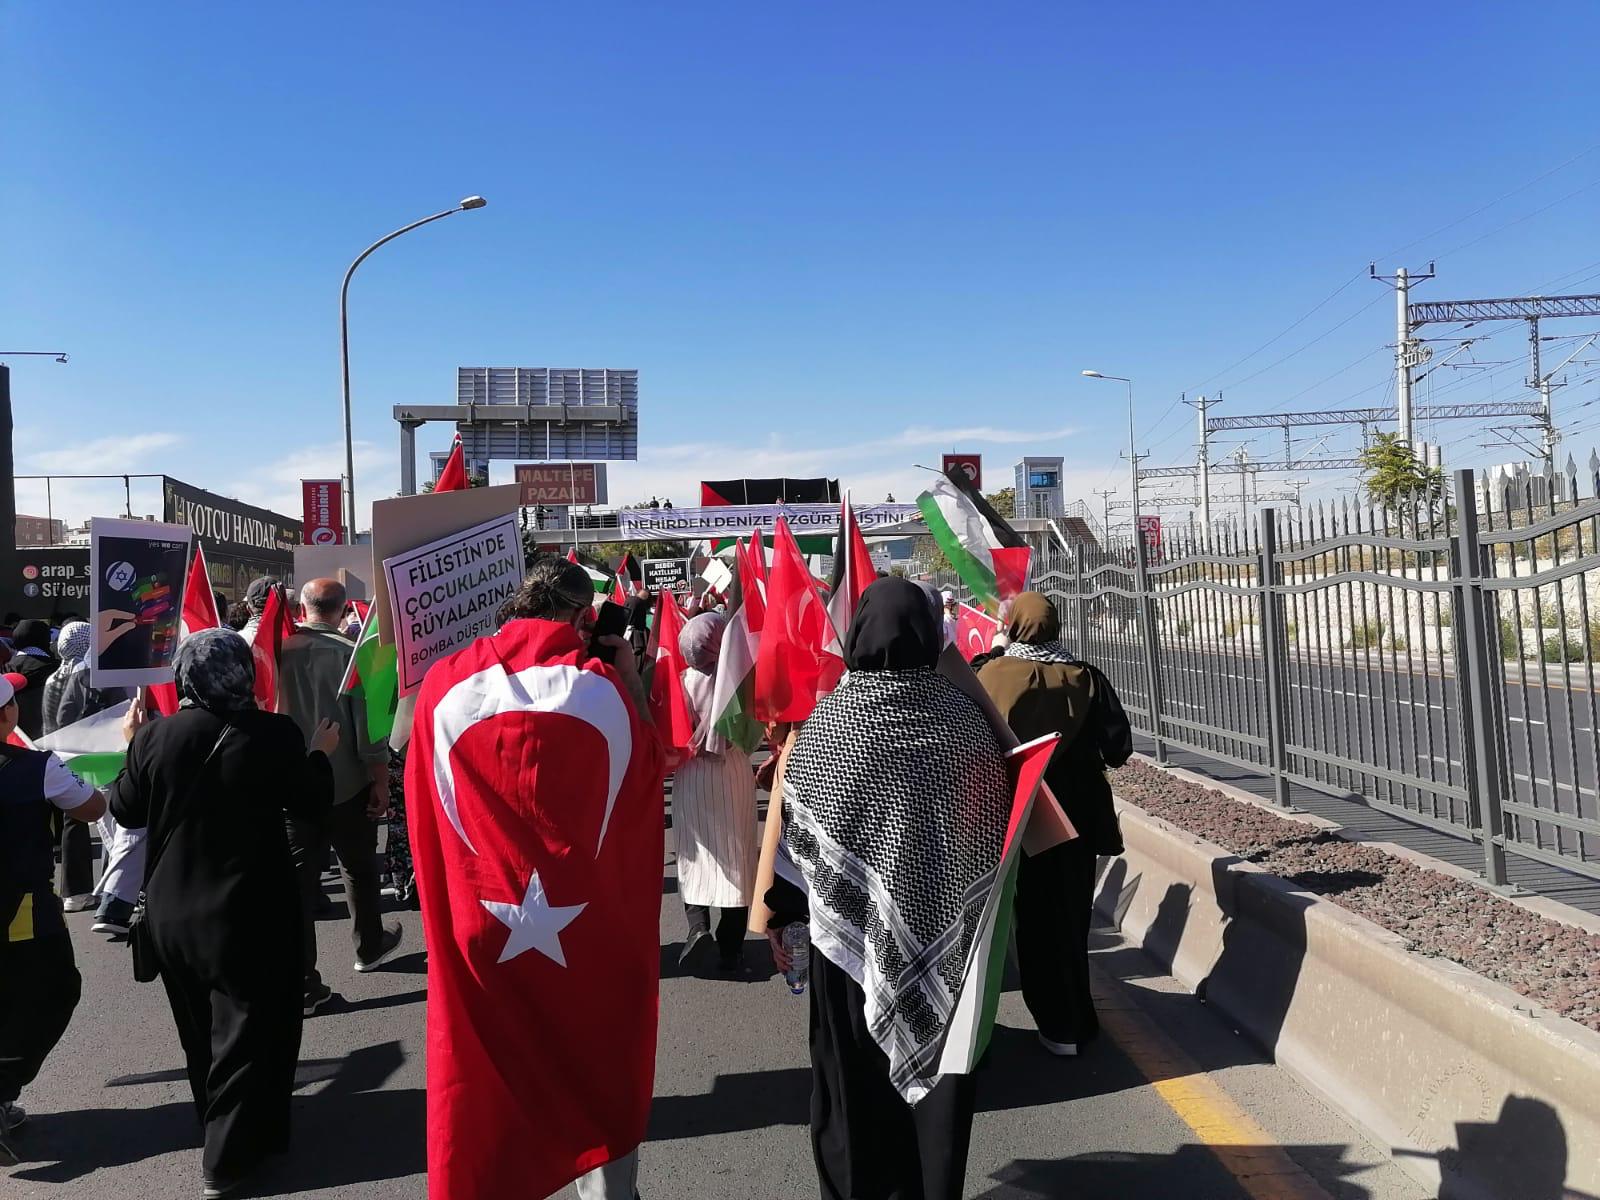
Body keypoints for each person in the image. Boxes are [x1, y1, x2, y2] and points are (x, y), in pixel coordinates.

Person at [407, 556, 664, 1200]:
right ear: (583, 618)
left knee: (486, 1069)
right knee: (595, 1058)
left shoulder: (443, 684)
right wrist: (632, 680)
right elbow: (648, 773)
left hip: (482, 918)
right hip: (584, 927)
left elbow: (421, 797)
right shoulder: (599, 688)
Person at [767, 577, 1010, 1200]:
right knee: (938, 1085)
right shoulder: (966, 721)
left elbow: (801, 831)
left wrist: (784, 915)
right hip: (948, 939)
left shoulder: (832, 723)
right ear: (930, 635)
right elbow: (993, 821)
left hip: (848, 950)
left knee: (850, 1088)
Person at [108, 630, 339, 1198]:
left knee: (200, 1034)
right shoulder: (274, 734)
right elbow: (310, 801)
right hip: (250, 909)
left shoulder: (156, 736)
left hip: (173, 912)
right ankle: (227, 1158)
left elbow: (124, 810)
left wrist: (132, 744)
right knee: (250, 1033)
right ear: (243, 673)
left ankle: (218, 1124)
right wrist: (319, 754)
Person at [978, 591, 1131, 1056]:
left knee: (1010, 922)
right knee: (1067, 919)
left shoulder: (988, 674)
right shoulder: (1087, 677)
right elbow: (1118, 748)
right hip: (1076, 818)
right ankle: (1069, 1022)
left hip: (1010, 814)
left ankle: (981, 1029)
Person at [277, 578, 400, 1013]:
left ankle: (303, 978)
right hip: (346, 782)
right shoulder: (352, 656)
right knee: (359, 869)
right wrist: (381, 780)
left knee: (297, 885)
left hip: (291, 785)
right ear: (342, 608)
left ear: (305, 606)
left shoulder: (276, 651)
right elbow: (371, 730)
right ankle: (368, 946)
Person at [0, 670, 106, 1167]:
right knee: (54, 990)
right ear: (7, 714)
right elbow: (91, 808)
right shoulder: (35, 768)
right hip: (21, 911)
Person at [672, 612, 758, 971]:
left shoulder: (679, 681)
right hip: (733, 774)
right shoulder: (740, 680)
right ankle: (731, 948)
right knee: (735, 857)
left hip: (690, 774)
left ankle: (698, 927)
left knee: (694, 854)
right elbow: (754, 732)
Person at [42, 621, 139, 935]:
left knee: (86, 822)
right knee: (116, 821)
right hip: (104, 758)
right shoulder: (92, 675)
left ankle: (80, 891)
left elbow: (55, 720)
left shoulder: (55, 676)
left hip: (68, 760)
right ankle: (113, 892)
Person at [6, 620, 59, 740]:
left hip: (15, 736)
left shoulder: (7, 668)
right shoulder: (56, 667)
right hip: (49, 734)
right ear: (45, 638)